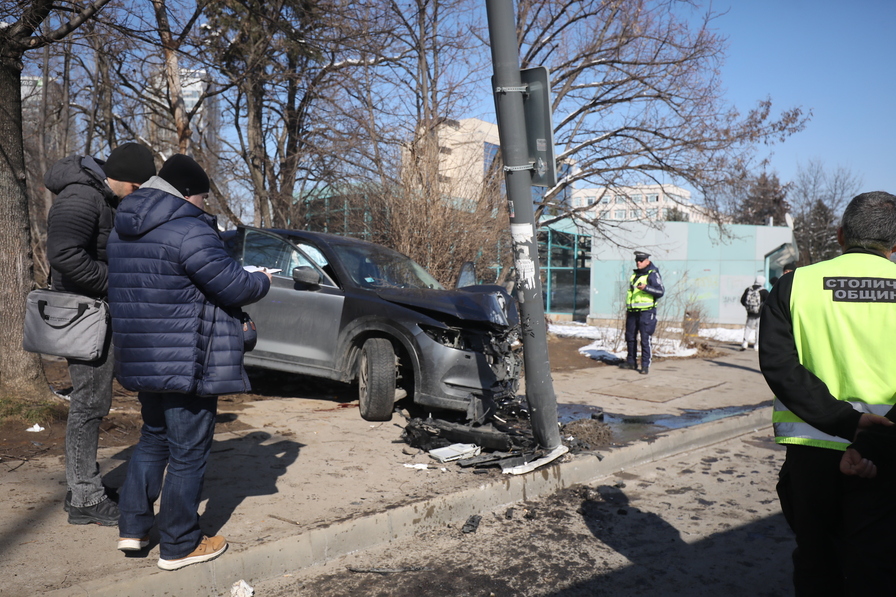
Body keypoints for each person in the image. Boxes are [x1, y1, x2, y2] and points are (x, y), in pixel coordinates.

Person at [106, 154, 272, 570]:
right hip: (187, 359)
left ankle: (134, 528)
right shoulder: (189, 231)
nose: (204, 204)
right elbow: (234, 286)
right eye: (201, 196)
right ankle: (180, 543)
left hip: (143, 357)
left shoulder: (122, 229)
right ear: (184, 193)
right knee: (187, 453)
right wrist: (263, 279)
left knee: (153, 440)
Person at [759, 191, 896, 595]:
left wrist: (846, 423)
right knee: (878, 563)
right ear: (894, 245)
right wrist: (870, 437)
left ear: (839, 235)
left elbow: (780, 367)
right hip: (888, 452)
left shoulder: (793, 286)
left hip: (812, 450)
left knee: (817, 559)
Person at [45, 142, 156, 525]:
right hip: (84, 313)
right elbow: (63, 254)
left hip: (95, 310)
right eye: (138, 186)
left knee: (93, 401)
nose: (137, 194)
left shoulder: (100, 196)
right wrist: (114, 284)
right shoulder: (81, 197)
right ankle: (85, 497)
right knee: (89, 403)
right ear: (124, 178)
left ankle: (83, 485)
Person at [619, 251, 664, 375]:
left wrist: (646, 288)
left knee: (645, 338)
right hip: (633, 311)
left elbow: (660, 292)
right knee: (630, 337)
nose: (638, 263)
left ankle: (645, 365)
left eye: (641, 260)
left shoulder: (652, 274)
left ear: (647, 261)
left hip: (647, 311)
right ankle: (631, 362)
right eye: (637, 261)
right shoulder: (635, 275)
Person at [739, 275, 768, 351]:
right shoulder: (764, 291)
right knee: (758, 329)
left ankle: (745, 343)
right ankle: (757, 345)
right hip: (760, 314)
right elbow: (768, 302)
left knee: (748, 328)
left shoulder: (748, 289)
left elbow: (742, 300)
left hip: (750, 313)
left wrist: (748, 307)